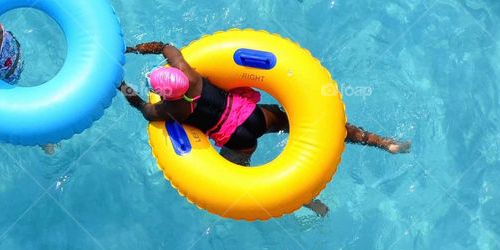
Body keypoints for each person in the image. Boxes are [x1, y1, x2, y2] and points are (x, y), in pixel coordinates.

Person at [118, 41, 411, 217]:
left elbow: (143, 108)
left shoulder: (170, 109)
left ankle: (312, 203)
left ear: (166, 93)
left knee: (246, 179)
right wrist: (142, 48)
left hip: (237, 139)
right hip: (255, 115)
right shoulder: (190, 74)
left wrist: (123, 86)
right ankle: (383, 142)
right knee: (320, 126)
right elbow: (166, 46)